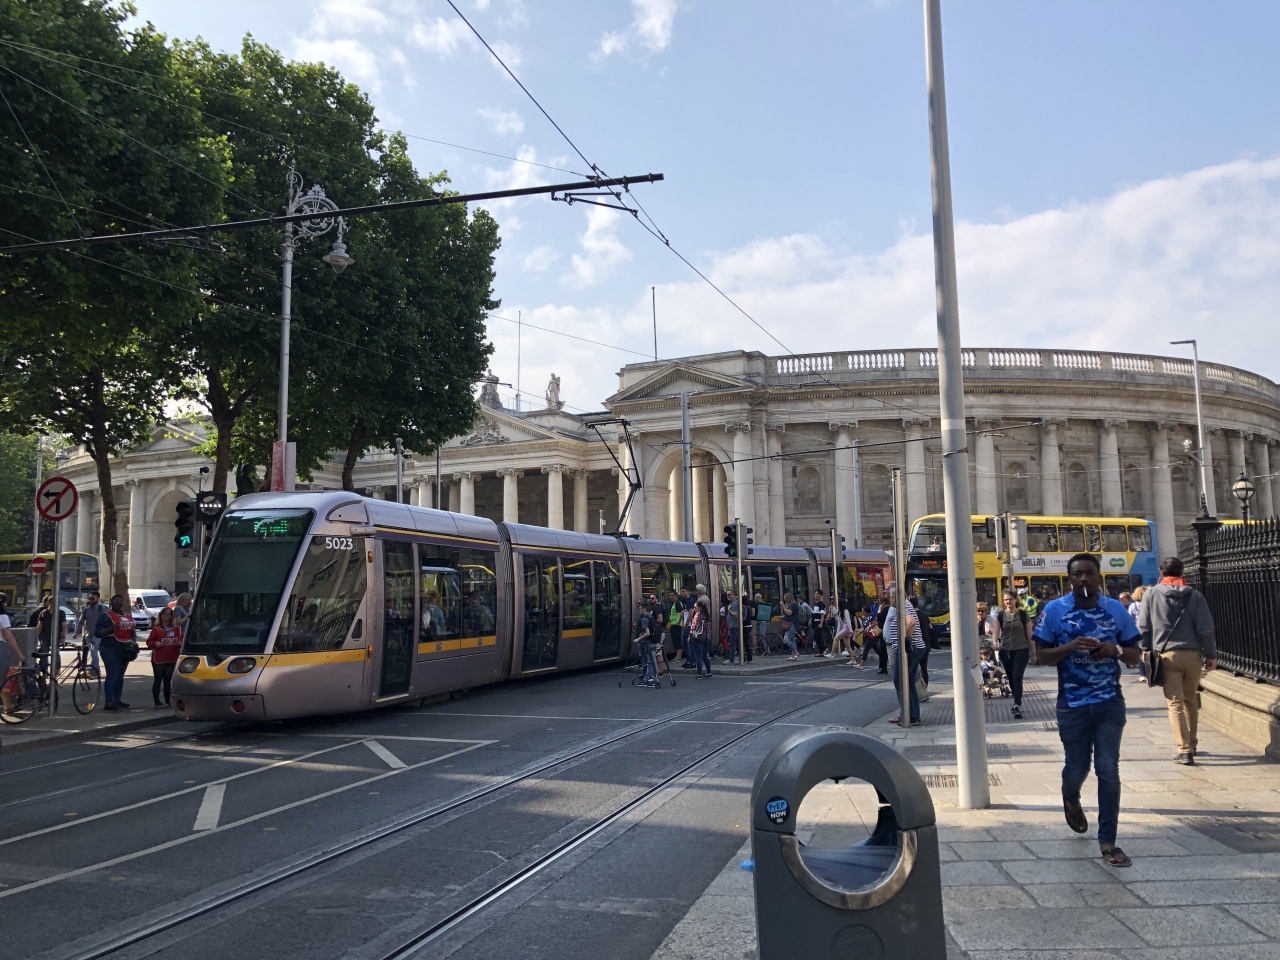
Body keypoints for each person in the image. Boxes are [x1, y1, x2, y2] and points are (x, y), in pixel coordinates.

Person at [1034, 553, 1142, 868]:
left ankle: (1108, 841)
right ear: (1070, 579)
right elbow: (1042, 656)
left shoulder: (1115, 610)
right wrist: (1071, 647)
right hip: (1072, 705)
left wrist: (1114, 650)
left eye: (1090, 573)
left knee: (1107, 768)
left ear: (1099, 577)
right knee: (1077, 768)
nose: (1084, 578)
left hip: (1109, 702)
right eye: (1077, 574)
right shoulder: (1054, 610)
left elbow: (1135, 655)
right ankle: (1070, 797)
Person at [1138, 557, 1217, 765]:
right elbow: (1206, 628)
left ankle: (1184, 750)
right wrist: (1211, 655)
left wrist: (1145, 649)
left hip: (1166, 655)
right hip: (1193, 654)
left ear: (1161, 573)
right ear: (1182, 573)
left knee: (1175, 702)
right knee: (1191, 700)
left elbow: (1143, 626)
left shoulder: (1151, 594)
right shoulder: (1195, 595)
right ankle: (1193, 744)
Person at [885, 585, 925, 726]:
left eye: (890, 597)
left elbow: (911, 622)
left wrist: (904, 640)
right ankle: (913, 715)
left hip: (908, 650)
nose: (889, 600)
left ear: (894, 598)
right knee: (909, 682)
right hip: (913, 649)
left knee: (900, 681)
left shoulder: (904, 607)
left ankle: (911, 715)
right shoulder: (904, 606)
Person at [997, 591, 1034, 719]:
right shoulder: (1000, 615)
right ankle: (1016, 699)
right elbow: (996, 633)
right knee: (1011, 677)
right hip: (1005, 651)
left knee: (1017, 676)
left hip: (1021, 649)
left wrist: (1034, 653)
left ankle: (1017, 704)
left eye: (1010, 599)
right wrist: (995, 642)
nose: (1008, 601)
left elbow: (1030, 635)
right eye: (1006, 599)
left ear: (1015, 600)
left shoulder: (1023, 615)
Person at [101, 594, 137, 711]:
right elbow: (98, 632)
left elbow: (132, 631)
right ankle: (109, 702)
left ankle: (117, 700)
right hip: (110, 647)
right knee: (113, 674)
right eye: (115, 601)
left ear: (122, 603)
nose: (117, 603)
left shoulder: (127, 616)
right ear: (111, 603)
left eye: (119, 601)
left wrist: (134, 642)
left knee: (120, 674)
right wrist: (112, 629)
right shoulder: (105, 616)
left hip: (125, 648)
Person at [146, 607, 182, 707]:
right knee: (158, 679)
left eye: (167, 614)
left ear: (171, 616)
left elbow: (182, 639)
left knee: (168, 680)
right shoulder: (156, 629)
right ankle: (157, 701)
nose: (165, 616)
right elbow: (149, 642)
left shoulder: (177, 629)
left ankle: (168, 701)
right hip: (159, 658)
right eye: (163, 614)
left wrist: (180, 642)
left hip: (172, 657)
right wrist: (155, 643)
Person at [0, 596, 26, 717]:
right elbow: (9, 637)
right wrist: (20, 654)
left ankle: (8, 706)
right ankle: (8, 706)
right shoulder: (3, 617)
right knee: (3, 679)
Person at [77, 592, 108, 678]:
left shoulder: (102, 609)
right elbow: (81, 622)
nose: (90, 600)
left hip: (98, 635)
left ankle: (95, 672)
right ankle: (94, 670)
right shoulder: (86, 610)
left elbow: (107, 620)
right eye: (90, 599)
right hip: (89, 635)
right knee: (92, 653)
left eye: (92, 599)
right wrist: (76, 632)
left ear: (97, 599)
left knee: (94, 652)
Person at [632, 600, 659, 686]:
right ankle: (650, 679)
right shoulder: (650, 617)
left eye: (640, 609)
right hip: (653, 641)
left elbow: (648, 633)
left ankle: (652, 679)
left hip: (649, 642)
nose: (639, 610)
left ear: (644, 609)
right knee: (651, 661)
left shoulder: (644, 619)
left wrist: (638, 639)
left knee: (650, 662)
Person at [689, 584, 713, 678]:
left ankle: (699, 674)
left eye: (695, 607)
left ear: (700, 607)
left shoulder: (697, 615)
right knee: (704, 655)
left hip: (698, 637)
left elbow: (693, 626)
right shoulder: (707, 616)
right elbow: (709, 628)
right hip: (706, 637)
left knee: (698, 656)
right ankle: (709, 672)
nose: (695, 609)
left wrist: (690, 635)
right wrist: (708, 636)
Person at [779, 592, 801, 661]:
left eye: (785, 599)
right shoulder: (792, 605)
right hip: (791, 623)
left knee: (786, 639)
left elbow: (789, 613)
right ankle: (794, 656)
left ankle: (796, 652)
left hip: (792, 624)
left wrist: (783, 606)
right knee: (792, 640)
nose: (784, 600)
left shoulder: (793, 604)